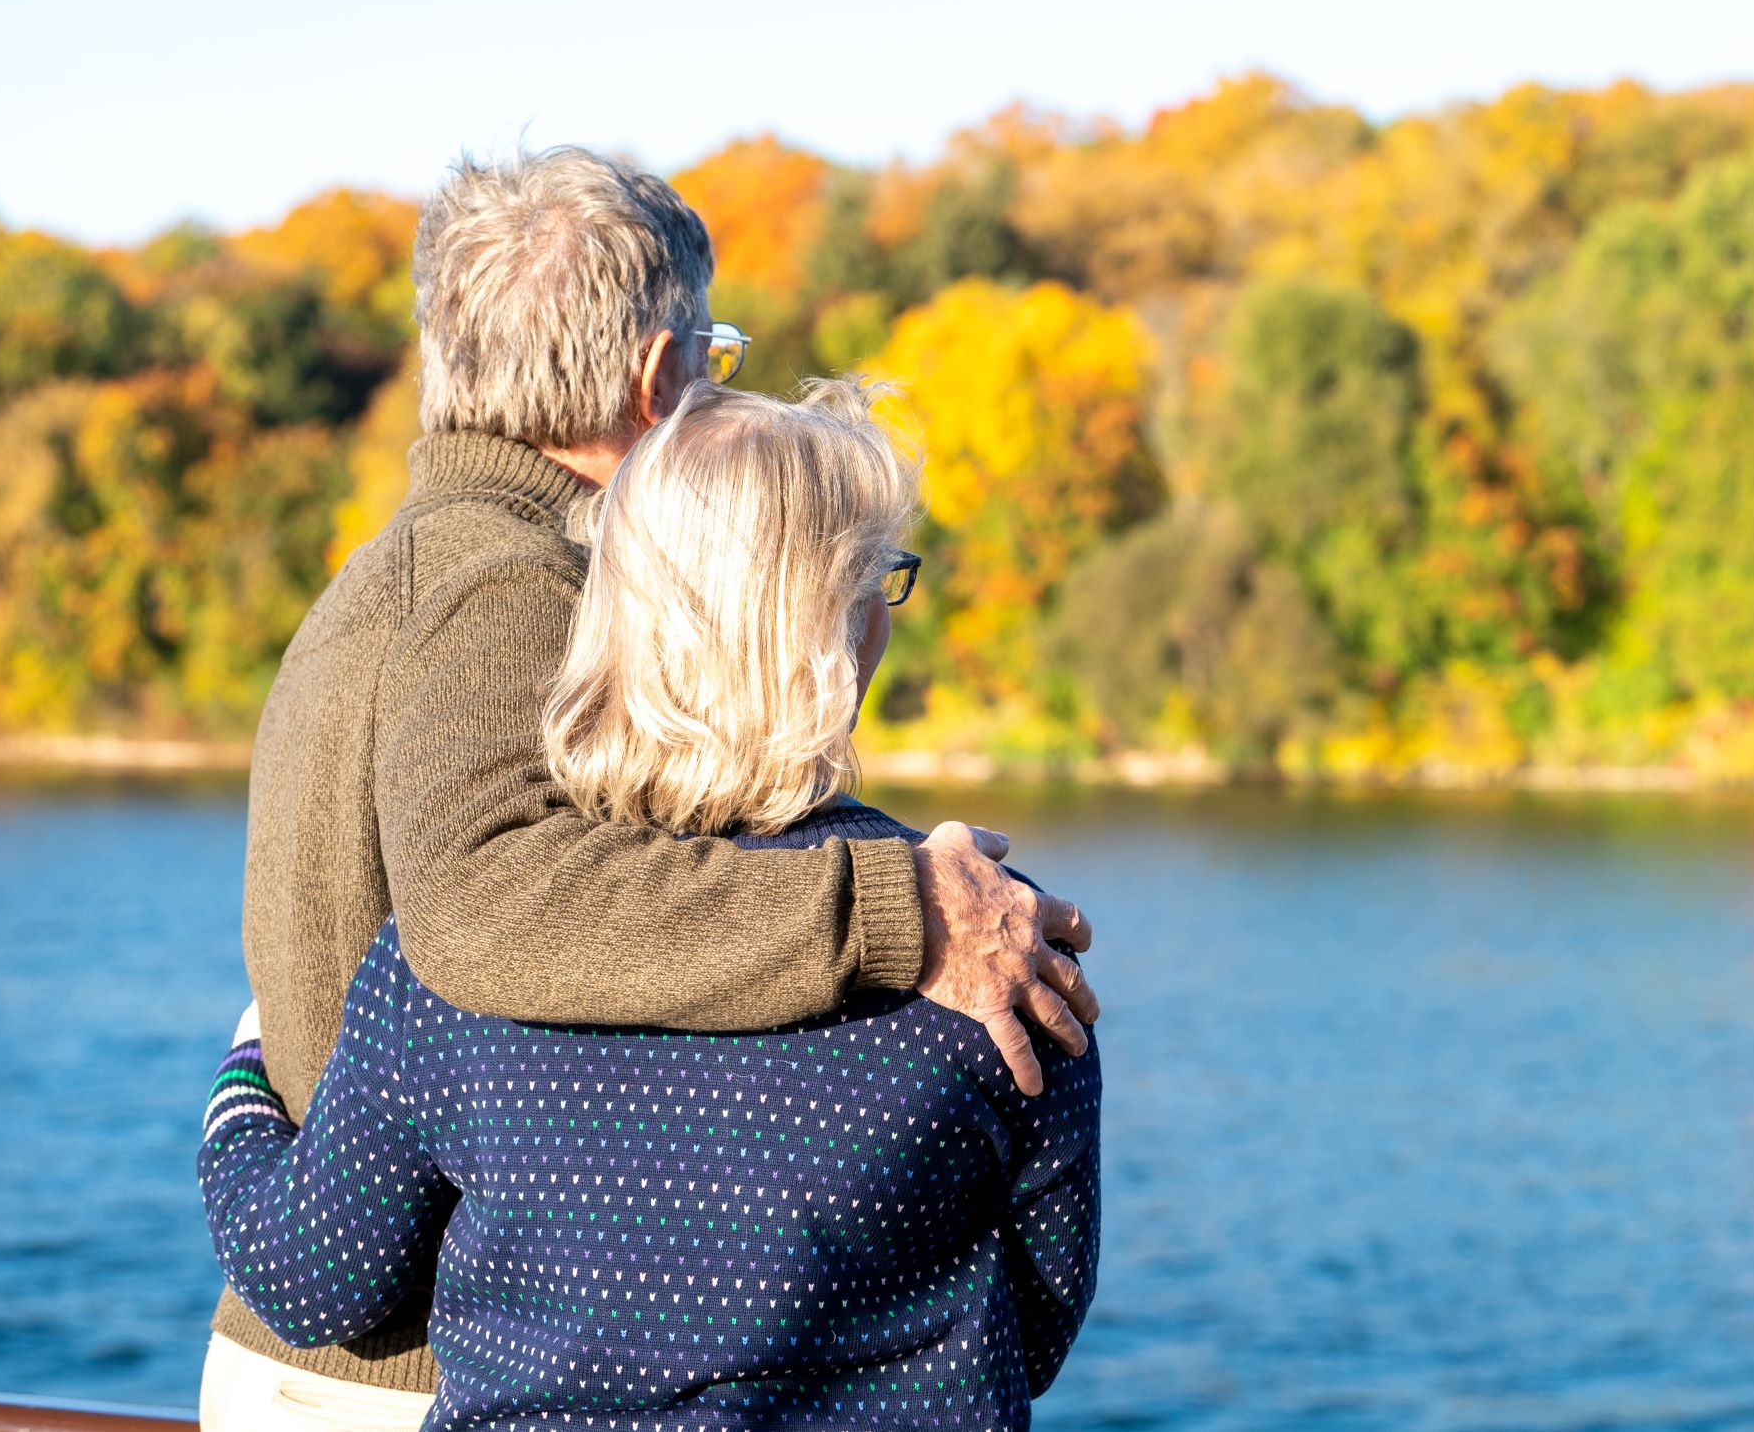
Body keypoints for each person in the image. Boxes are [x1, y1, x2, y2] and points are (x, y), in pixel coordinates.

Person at [201, 149, 1099, 1430]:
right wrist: (901, 910)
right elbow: (486, 907)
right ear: (651, 378)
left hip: (407, 1331)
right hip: (408, 1367)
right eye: (716, 357)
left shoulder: (405, 570)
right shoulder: (511, 590)